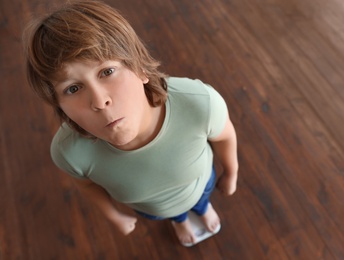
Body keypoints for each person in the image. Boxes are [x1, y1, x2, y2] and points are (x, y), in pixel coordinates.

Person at [24, 0, 238, 246]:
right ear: (60, 106)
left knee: (201, 199)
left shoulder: (199, 103)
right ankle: (179, 219)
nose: (100, 101)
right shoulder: (69, 153)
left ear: (139, 67)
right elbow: (86, 186)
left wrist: (230, 174)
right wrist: (114, 217)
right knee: (174, 213)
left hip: (200, 184)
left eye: (106, 71)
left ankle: (203, 208)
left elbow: (225, 135)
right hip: (152, 208)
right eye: (73, 88)